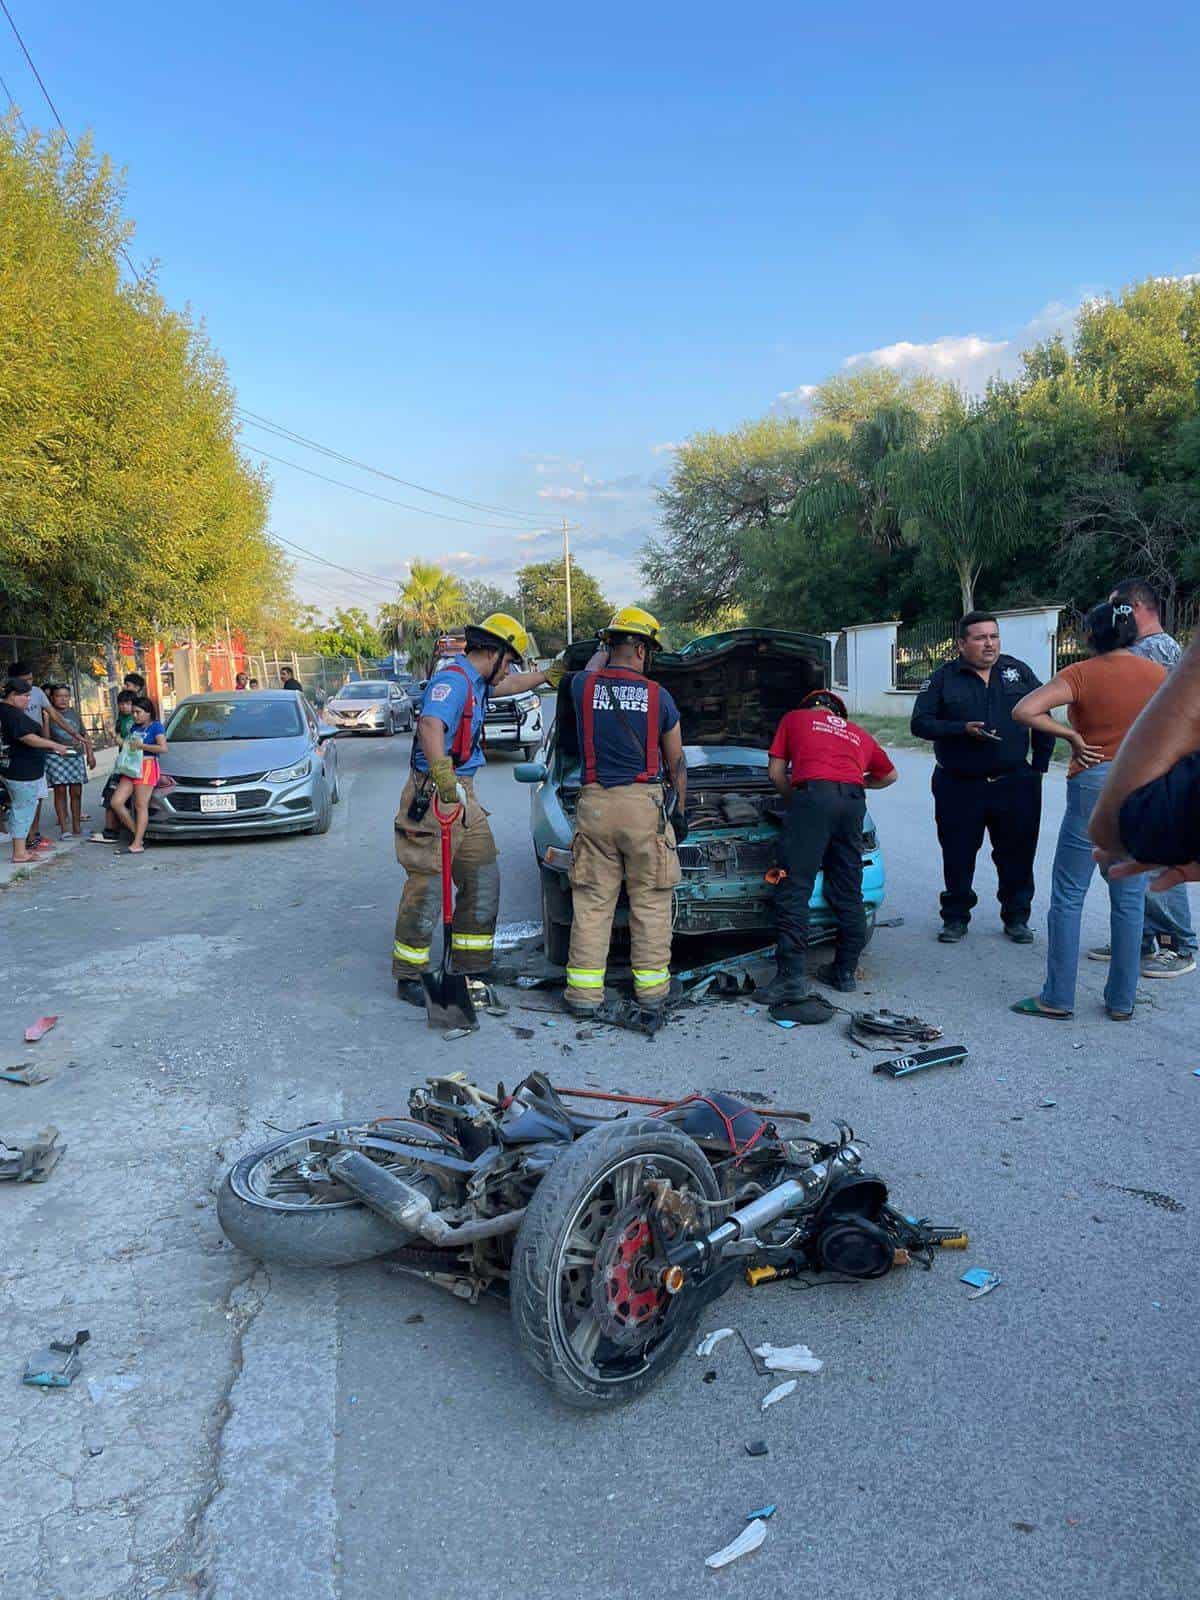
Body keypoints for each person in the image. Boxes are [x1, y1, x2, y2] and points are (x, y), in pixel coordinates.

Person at [392, 614, 563, 1001]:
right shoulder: (453, 681)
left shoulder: (479, 683)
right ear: (494, 651)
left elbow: (512, 684)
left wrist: (549, 675)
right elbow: (430, 726)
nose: (512, 668)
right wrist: (443, 776)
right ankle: (411, 975)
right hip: (435, 793)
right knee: (428, 887)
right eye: (510, 659)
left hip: (464, 794)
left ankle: (471, 964)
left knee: (483, 877)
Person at [1009, 601, 1165, 1021]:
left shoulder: (1080, 674)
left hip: (1094, 781)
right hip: (1144, 785)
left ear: (1090, 636)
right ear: (1133, 634)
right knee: (1130, 895)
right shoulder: (1158, 675)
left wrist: (1070, 737)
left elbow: (1024, 710)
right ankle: (1121, 1001)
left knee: (1069, 892)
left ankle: (1057, 998)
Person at [561, 608, 686, 1019]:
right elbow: (677, 761)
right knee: (649, 901)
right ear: (641, 649)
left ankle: (583, 996)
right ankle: (651, 993)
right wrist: (679, 811)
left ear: (610, 645)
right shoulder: (659, 696)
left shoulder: (583, 686)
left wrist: (603, 650)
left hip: (595, 805)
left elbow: (592, 669)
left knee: (593, 902)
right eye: (647, 649)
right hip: (642, 807)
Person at [910, 613, 1054, 945]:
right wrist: (960, 729)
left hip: (1015, 783)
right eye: (980, 638)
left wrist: (1040, 767)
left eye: (994, 636)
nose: (989, 643)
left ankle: (1017, 917)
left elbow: (1043, 715)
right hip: (959, 785)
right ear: (962, 644)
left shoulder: (1017, 671)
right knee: (958, 853)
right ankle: (956, 917)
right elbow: (920, 724)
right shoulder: (944, 679)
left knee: (1017, 853)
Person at [757, 689, 898, 1009]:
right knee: (848, 887)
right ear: (838, 715)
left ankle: (791, 979)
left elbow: (775, 773)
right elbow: (890, 775)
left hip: (814, 796)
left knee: (793, 886)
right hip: (852, 803)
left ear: (808, 707)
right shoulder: (857, 732)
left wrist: (799, 805)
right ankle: (844, 971)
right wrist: (855, 783)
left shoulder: (794, 718)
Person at [1084, 579, 1195, 978]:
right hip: (1135, 768)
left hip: (1157, 773)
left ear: (1134, 608)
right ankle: (1141, 936)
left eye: (1118, 609)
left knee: (1155, 858)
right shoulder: (1139, 651)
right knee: (1127, 857)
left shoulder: (1156, 651)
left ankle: (1178, 943)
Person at [1090, 630, 1200, 890]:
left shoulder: (1081, 672)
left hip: (1108, 774)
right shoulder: (1155, 668)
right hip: (1145, 782)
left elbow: (1121, 821)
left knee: (1072, 882)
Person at [7, 660, 86, 850]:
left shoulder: (36, 693)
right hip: (20, 753)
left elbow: (56, 717)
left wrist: (75, 734)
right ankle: (22, 843)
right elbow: (25, 735)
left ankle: (31, 837)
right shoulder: (8, 710)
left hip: (38, 750)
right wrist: (54, 745)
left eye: (31, 680)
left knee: (37, 794)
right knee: (22, 799)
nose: (29, 692)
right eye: (25, 682)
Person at [0, 679, 76, 864]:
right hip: (21, 770)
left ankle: (22, 850)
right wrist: (55, 745)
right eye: (25, 696)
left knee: (22, 808)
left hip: (16, 766)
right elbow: (28, 738)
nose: (28, 701)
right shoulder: (11, 714)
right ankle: (19, 852)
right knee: (23, 809)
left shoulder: (7, 712)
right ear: (13, 696)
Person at [109, 696, 167, 855]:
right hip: (132, 767)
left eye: (138, 712)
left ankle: (137, 843)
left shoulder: (156, 727)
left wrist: (142, 746)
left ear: (148, 713)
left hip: (148, 766)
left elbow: (163, 748)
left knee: (141, 805)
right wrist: (115, 737)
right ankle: (139, 836)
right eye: (134, 712)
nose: (135, 715)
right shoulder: (135, 727)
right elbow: (129, 747)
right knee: (116, 802)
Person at [44, 684, 95, 836]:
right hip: (55, 757)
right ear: (52, 698)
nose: (63, 699)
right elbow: (45, 738)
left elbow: (84, 735)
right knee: (60, 791)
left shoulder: (74, 713)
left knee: (77, 792)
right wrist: (46, 720)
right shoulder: (48, 714)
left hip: (75, 756)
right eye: (59, 696)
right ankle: (64, 829)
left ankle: (77, 828)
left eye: (66, 696)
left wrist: (90, 754)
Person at [91, 690, 138, 843]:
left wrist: (113, 735)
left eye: (128, 704)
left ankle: (112, 831)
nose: (125, 707)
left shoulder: (134, 721)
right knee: (112, 797)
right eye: (122, 704)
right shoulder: (122, 719)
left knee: (111, 795)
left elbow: (128, 746)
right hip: (123, 763)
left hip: (130, 765)